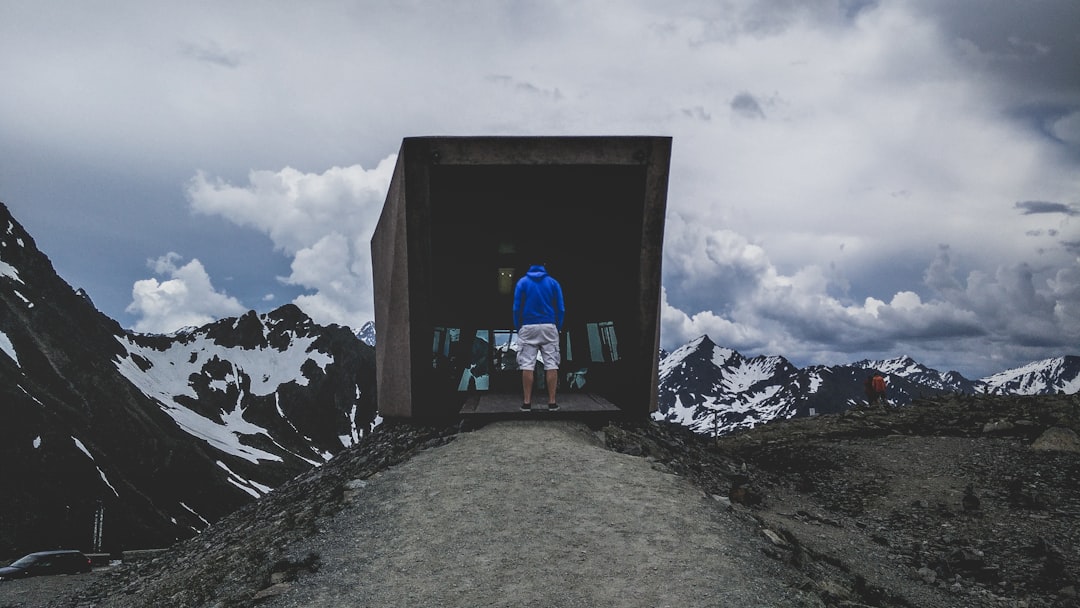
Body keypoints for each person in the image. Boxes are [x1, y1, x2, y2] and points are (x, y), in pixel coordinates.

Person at [513, 263, 565, 412]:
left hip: (528, 326)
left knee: (527, 365)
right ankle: (552, 402)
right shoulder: (553, 283)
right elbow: (560, 308)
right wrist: (558, 327)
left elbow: (516, 308)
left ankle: (527, 402)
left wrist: (519, 327)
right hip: (549, 325)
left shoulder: (522, 283)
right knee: (551, 364)